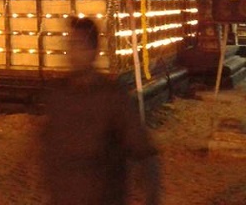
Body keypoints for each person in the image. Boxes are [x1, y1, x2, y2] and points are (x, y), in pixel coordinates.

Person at [39, 16, 160, 205]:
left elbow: (144, 150)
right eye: (70, 44)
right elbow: (47, 145)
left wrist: (153, 197)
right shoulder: (58, 95)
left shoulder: (111, 97)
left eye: (78, 45)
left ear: (93, 51)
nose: (71, 52)